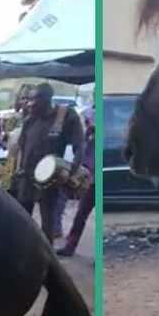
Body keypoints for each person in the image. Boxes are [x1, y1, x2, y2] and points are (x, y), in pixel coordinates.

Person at [14, 83, 85, 243]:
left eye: (34, 99)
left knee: (48, 221)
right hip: (26, 177)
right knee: (22, 219)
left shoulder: (65, 116)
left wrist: (71, 173)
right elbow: (21, 147)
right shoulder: (30, 120)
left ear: (46, 99)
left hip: (49, 179)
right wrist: (18, 170)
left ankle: (47, 258)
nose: (30, 103)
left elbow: (79, 146)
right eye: (29, 99)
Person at [56, 107, 96, 257]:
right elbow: (80, 147)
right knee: (81, 214)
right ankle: (70, 246)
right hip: (91, 176)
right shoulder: (88, 119)